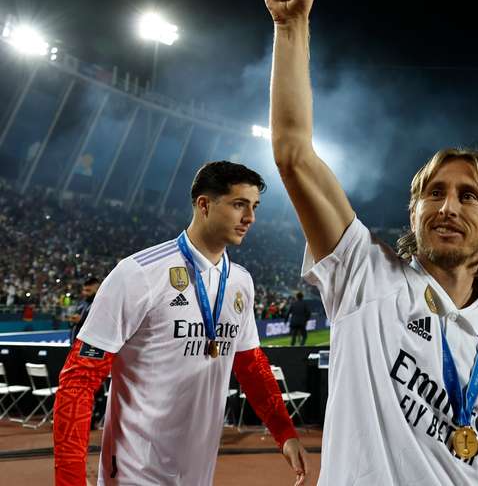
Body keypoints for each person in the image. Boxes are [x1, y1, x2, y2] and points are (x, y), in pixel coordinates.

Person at [265, 0, 478, 484]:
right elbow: (293, 153)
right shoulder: (363, 276)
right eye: (433, 193)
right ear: (414, 210)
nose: (447, 206)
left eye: (468, 196)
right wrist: (292, 27)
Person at [53, 161, 308, 485]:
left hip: (198, 472)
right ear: (204, 204)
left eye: (254, 206)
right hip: (134, 473)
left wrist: (284, 432)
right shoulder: (138, 274)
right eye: (239, 204)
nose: (250, 218)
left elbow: (250, 364)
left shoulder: (240, 282)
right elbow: (78, 379)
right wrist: (69, 480)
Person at [69, 276, 100, 344]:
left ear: (97, 290)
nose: (85, 293)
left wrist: (81, 320)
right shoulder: (82, 304)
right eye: (84, 290)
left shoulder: (100, 305)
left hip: (88, 347)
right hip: (74, 344)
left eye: (88, 290)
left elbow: (100, 325)